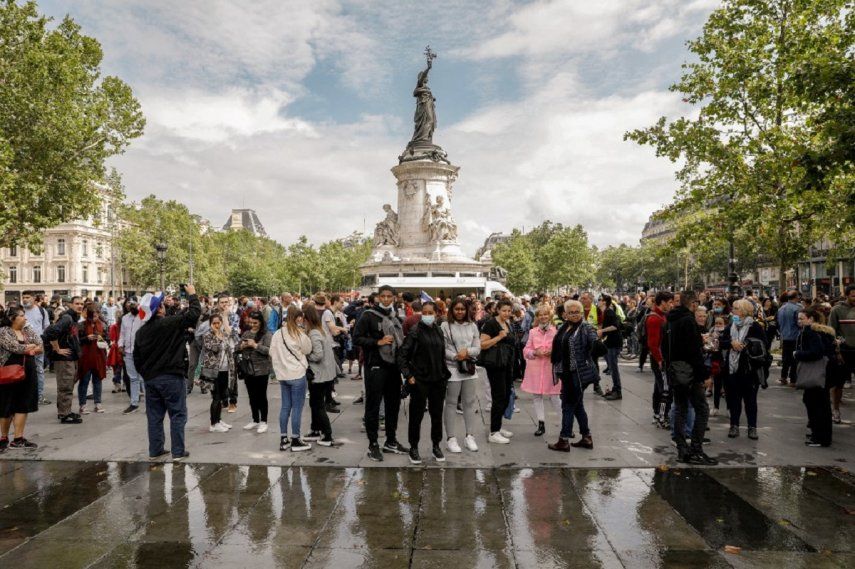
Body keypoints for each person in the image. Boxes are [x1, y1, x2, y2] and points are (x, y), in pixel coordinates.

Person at [133, 286, 202, 461]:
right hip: (171, 376)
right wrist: (192, 294)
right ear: (160, 309)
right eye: (162, 304)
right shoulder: (169, 323)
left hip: (151, 379)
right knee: (178, 414)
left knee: (154, 416)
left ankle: (155, 450)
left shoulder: (141, 332)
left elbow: (137, 358)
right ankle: (178, 451)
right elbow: (194, 314)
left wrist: (147, 374)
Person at [352, 285, 408, 461]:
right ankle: (373, 444)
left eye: (389, 296)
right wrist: (378, 341)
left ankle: (391, 441)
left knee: (393, 405)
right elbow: (356, 338)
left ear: (394, 298)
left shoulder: (395, 316)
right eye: (382, 296)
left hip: (393, 368)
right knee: (373, 407)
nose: (385, 299)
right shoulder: (368, 315)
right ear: (378, 297)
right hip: (375, 367)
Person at [661, 290, 717, 465]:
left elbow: (664, 346)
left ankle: (681, 449)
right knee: (702, 409)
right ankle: (696, 449)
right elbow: (693, 352)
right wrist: (704, 375)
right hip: (689, 372)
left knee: (680, 409)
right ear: (692, 304)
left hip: (675, 370)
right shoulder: (688, 321)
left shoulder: (670, 320)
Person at [398, 301, 451, 464]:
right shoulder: (415, 331)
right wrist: (408, 375)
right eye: (425, 312)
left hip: (438, 380)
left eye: (430, 312)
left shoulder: (438, 330)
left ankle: (436, 445)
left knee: (437, 415)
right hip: (420, 380)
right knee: (416, 416)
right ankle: (413, 447)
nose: (427, 315)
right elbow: (402, 356)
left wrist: (444, 374)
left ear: (436, 313)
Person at [548, 300, 597, 452]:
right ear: (565, 314)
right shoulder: (564, 326)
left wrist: (597, 343)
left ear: (581, 313)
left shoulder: (585, 328)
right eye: (571, 312)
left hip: (578, 374)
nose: (575, 315)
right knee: (578, 406)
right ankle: (586, 437)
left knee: (568, 405)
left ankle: (564, 439)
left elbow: (593, 339)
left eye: (577, 312)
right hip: (566, 373)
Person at [720, 298, 767, 441]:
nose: (732, 311)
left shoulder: (755, 327)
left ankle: (752, 427)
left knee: (750, 401)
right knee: (734, 400)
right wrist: (731, 343)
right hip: (732, 370)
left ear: (744, 311)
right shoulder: (731, 325)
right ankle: (734, 425)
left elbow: (763, 346)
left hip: (750, 370)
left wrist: (746, 344)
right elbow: (722, 342)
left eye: (735, 308)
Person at [268, 305, 312, 452]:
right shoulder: (299, 335)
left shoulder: (277, 334)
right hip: (297, 374)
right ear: (298, 318)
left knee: (285, 406)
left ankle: (283, 439)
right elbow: (308, 350)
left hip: (282, 375)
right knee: (297, 408)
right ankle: (295, 439)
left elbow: (271, 352)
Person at [0, 306, 43, 451]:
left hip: (28, 371)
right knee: (6, 405)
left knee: (23, 404)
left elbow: (40, 345)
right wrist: (30, 347)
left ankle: (18, 438)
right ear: (12, 318)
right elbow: (14, 347)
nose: (25, 318)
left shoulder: (27, 330)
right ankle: (3, 438)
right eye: (22, 315)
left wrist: (30, 347)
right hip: (8, 372)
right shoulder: (3, 331)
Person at [440, 298, 481, 454]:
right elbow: (442, 349)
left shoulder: (473, 326)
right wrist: (456, 356)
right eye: (456, 309)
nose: (459, 312)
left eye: (462, 309)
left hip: (469, 369)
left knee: (469, 403)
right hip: (452, 368)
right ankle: (451, 438)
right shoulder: (445, 325)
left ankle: (470, 436)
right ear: (452, 310)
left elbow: (477, 348)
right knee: (450, 403)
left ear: (467, 310)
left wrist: (467, 352)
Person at [794, 306, 835, 447]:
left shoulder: (810, 332)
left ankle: (819, 437)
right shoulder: (824, 331)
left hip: (816, 373)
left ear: (810, 319)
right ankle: (821, 434)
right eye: (798, 318)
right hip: (825, 373)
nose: (799, 321)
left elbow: (816, 352)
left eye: (801, 318)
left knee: (814, 404)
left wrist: (797, 354)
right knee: (821, 404)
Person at [479, 299, 516, 444]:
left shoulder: (507, 323)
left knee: (506, 396)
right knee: (499, 397)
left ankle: (498, 427)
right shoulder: (490, 324)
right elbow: (482, 344)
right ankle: (494, 432)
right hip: (495, 365)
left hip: (506, 364)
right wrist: (499, 337)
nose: (507, 313)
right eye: (504, 310)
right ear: (498, 310)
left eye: (509, 311)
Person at [43, 296, 85, 424]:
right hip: (64, 359)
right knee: (65, 386)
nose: (80, 306)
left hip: (70, 357)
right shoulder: (67, 317)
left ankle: (65, 410)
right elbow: (50, 332)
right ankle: (64, 414)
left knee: (67, 385)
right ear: (71, 304)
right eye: (77, 303)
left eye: (81, 304)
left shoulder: (73, 318)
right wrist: (57, 349)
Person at [303, 304, 340, 447]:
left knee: (318, 405)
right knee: (315, 404)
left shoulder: (314, 333)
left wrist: (305, 355)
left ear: (307, 318)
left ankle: (328, 435)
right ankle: (315, 430)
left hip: (319, 375)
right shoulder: (319, 330)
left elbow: (317, 355)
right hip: (324, 374)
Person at [521, 304, 560, 437]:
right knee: (537, 396)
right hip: (535, 369)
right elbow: (526, 350)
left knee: (555, 397)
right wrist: (534, 353)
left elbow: (562, 350)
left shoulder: (556, 331)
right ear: (537, 317)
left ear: (550, 315)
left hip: (550, 369)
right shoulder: (532, 332)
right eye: (540, 314)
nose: (543, 317)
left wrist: (553, 352)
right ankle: (541, 423)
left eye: (545, 314)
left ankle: (565, 425)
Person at [237, 310, 273, 434]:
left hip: (262, 369)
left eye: (255, 323)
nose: (253, 325)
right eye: (251, 322)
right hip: (248, 369)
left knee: (261, 396)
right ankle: (255, 419)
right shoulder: (246, 333)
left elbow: (269, 350)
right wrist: (241, 347)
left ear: (261, 322)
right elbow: (237, 347)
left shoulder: (266, 334)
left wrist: (255, 345)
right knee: (252, 396)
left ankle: (264, 421)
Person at [200, 314, 234, 433]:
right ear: (210, 324)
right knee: (216, 397)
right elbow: (213, 348)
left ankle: (218, 420)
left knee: (222, 396)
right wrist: (217, 336)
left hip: (224, 369)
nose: (216, 325)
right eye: (214, 323)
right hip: (213, 371)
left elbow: (229, 347)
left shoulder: (224, 334)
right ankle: (213, 424)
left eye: (218, 323)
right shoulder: (207, 335)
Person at [828, 285, 855, 424]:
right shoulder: (837, 310)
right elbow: (831, 332)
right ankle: (836, 410)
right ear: (846, 295)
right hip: (843, 352)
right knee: (838, 384)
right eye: (853, 296)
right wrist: (837, 350)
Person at [76, 302, 108, 415]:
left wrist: (101, 339)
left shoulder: (103, 325)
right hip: (85, 357)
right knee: (84, 381)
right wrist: (86, 338)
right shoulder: (81, 325)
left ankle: (98, 404)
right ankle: (82, 405)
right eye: (93, 316)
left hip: (99, 356)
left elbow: (107, 340)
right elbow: (77, 341)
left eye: (96, 315)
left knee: (97, 380)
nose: (95, 318)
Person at [647, 291, 673, 428]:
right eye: (670, 302)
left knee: (659, 388)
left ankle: (658, 414)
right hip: (660, 359)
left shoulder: (661, 316)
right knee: (665, 389)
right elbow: (653, 343)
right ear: (662, 302)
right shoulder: (655, 319)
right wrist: (659, 360)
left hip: (661, 358)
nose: (671, 305)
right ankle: (662, 418)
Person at [21, 291, 50, 406]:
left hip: (38, 346)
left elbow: (46, 327)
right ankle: (25, 396)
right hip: (22, 346)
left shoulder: (42, 311)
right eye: (23, 297)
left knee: (39, 370)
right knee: (22, 370)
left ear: (34, 298)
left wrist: (42, 342)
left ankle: (40, 396)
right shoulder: (19, 311)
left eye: (27, 297)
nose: (25, 299)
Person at [118, 297, 144, 414]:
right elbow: (122, 334)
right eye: (130, 303)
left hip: (141, 352)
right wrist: (120, 345)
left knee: (144, 378)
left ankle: (151, 405)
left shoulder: (144, 317)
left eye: (135, 303)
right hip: (128, 352)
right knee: (133, 378)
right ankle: (134, 403)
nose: (132, 305)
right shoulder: (124, 318)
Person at [598, 294, 623, 400]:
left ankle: (618, 391)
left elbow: (614, 326)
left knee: (614, 368)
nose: (598, 301)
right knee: (612, 368)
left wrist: (601, 331)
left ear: (604, 302)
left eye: (600, 300)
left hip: (614, 343)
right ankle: (615, 389)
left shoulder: (609, 312)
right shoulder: (606, 312)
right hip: (610, 343)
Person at [777, 291, 802, 385]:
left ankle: (783, 376)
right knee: (794, 358)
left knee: (786, 357)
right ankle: (793, 379)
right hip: (795, 335)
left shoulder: (781, 308)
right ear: (796, 297)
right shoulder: (797, 308)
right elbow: (799, 322)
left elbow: (779, 322)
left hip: (784, 336)